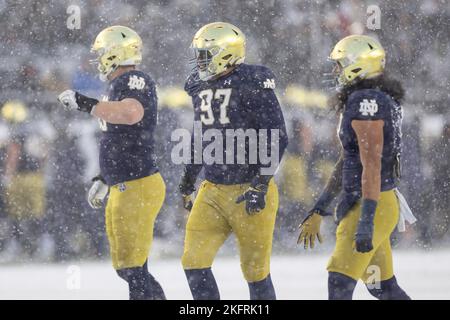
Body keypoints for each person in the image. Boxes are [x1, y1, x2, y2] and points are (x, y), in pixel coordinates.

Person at [179, 22, 288, 300]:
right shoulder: (199, 86)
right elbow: (201, 137)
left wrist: (261, 184)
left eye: (206, 54)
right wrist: (187, 181)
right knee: (193, 262)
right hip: (213, 189)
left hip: (248, 187)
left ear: (225, 54)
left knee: (255, 271)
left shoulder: (251, 80)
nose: (200, 61)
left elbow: (277, 136)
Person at [298, 35, 411, 300]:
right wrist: (320, 207)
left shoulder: (365, 101)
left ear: (357, 64)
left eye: (340, 64)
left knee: (339, 282)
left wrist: (366, 220)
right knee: (383, 288)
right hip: (378, 199)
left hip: (372, 201)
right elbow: (350, 160)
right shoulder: (371, 97)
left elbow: (371, 163)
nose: (335, 71)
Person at [57, 25, 166, 300]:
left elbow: (131, 113)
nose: (99, 59)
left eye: (103, 52)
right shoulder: (116, 84)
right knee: (127, 267)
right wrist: (105, 177)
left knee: (134, 268)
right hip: (123, 183)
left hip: (138, 183)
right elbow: (119, 140)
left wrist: (85, 103)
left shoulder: (133, 79)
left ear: (116, 53)